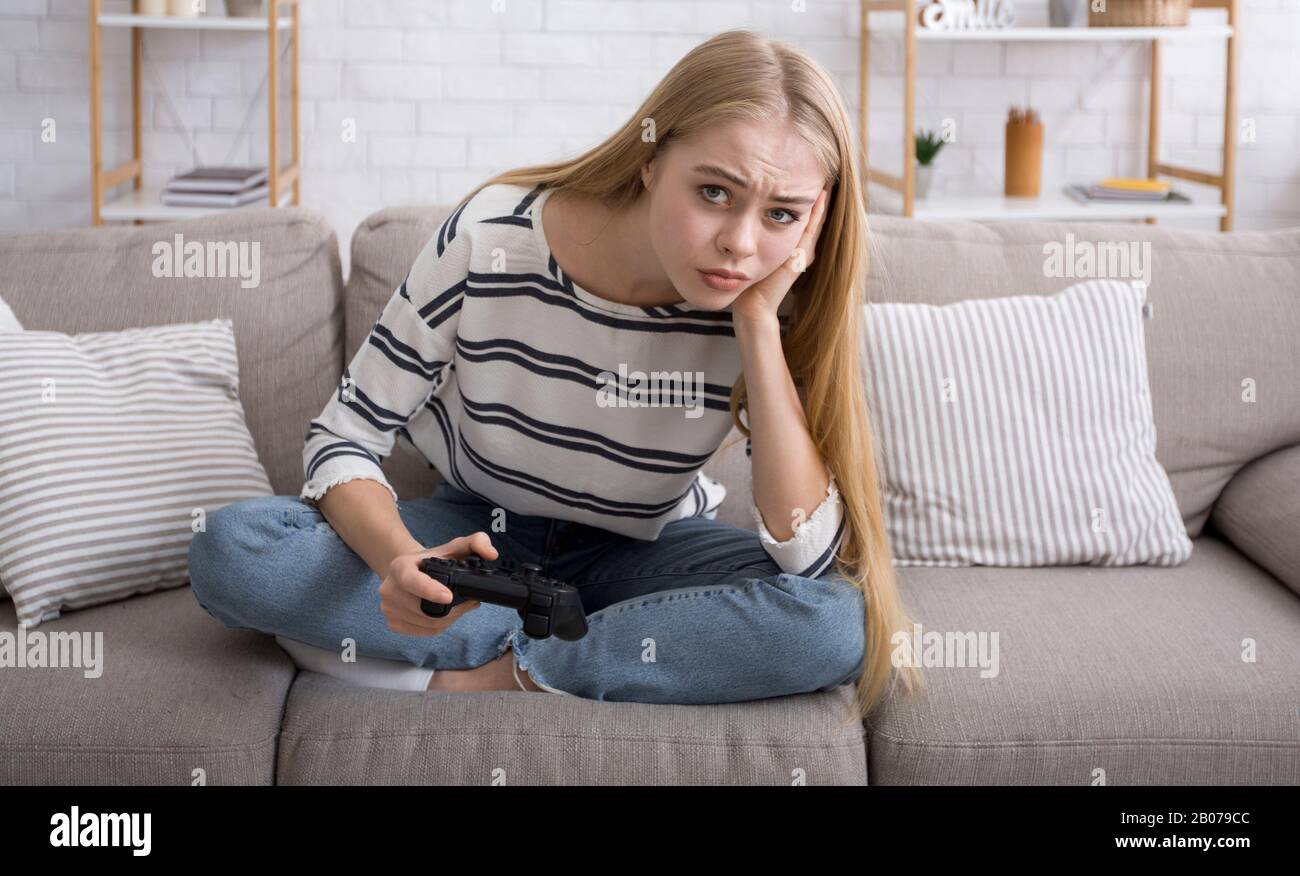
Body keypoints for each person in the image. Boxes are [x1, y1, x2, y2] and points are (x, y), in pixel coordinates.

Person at [188, 29, 923, 721]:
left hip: (634, 558)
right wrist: (402, 563)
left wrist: (758, 328)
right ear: (650, 157)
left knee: (837, 621)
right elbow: (344, 438)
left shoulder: (770, 301)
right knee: (235, 546)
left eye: (782, 214)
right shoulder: (491, 237)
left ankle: (502, 672)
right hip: (480, 541)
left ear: (814, 223)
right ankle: (609, 647)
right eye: (713, 192)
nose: (738, 242)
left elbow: (807, 555)